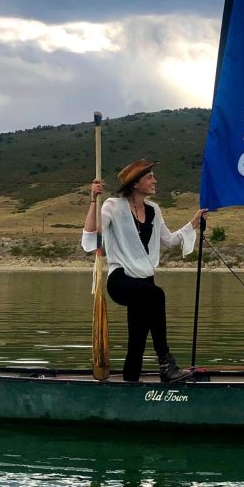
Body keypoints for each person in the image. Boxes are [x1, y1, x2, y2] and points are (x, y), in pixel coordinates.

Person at [81, 158, 208, 383]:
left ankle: (130, 382)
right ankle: (166, 363)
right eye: (149, 177)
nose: (154, 180)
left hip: (145, 282)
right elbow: (92, 235)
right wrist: (93, 200)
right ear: (135, 184)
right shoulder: (112, 205)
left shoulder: (154, 210)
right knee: (157, 294)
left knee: (137, 340)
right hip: (120, 281)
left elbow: (169, 241)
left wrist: (193, 223)